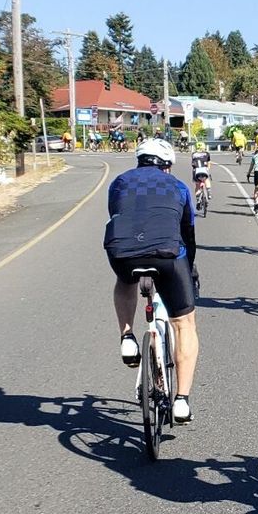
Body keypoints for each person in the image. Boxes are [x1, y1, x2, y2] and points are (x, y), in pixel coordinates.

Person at [105, 139, 202, 423]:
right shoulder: (178, 187)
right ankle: (181, 401)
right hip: (167, 255)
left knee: (125, 281)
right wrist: (190, 268)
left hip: (122, 252)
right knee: (184, 324)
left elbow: (117, 214)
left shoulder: (119, 182)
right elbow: (188, 234)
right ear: (167, 165)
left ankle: (127, 337)